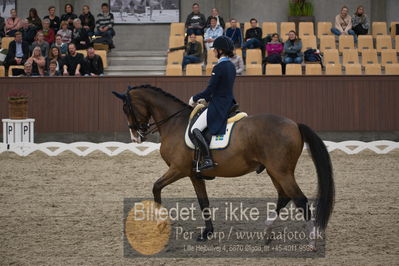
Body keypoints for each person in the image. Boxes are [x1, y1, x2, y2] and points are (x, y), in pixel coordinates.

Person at [188, 36, 237, 171]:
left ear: (220, 50)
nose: (213, 51)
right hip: (228, 101)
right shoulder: (231, 66)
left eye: (215, 49)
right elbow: (222, 88)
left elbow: (210, 89)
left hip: (218, 104)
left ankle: (208, 159)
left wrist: (195, 98)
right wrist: (206, 100)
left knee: (195, 129)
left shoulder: (219, 66)